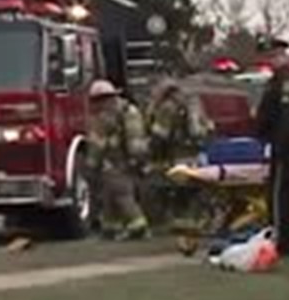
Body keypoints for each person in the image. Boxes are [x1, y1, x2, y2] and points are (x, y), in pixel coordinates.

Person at [255, 37, 289, 255]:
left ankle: (282, 239)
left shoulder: (286, 81)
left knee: (280, 196)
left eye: (273, 55)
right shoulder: (281, 80)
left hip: (284, 144)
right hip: (286, 142)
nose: (271, 60)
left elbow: (287, 116)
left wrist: (276, 141)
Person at [85, 79, 151, 240]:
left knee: (121, 194)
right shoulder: (129, 109)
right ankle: (110, 228)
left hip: (116, 162)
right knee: (110, 196)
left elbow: (97, 145)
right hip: (134, 159)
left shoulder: (105, 117)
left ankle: (138, 226)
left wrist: (91, 166)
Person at [145, 78, 212, 230]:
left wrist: (150, 151)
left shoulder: (167, 108)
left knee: (174, 188)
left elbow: (160, 135)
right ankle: (195, 218)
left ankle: (177, 220)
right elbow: (206, 128)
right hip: (195, 154)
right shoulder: (193, 104)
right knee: (193, 188)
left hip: (176, 154)